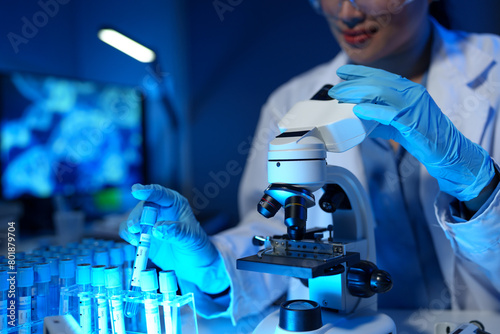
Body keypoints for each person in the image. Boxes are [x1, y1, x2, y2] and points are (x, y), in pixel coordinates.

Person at [120, 0, 500, 325]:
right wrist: (213, 268)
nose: (347, 12)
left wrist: (479, 184)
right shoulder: (292, 101)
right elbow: (270, 232)